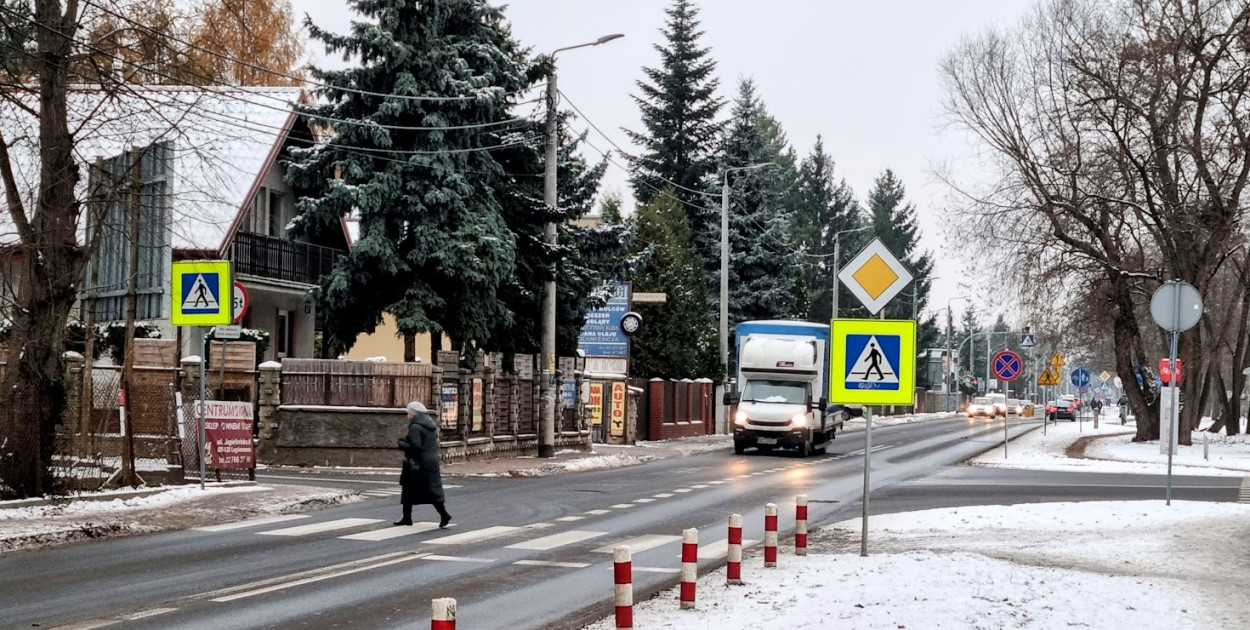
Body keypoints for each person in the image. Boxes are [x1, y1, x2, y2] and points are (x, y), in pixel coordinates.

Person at [395, 401, 451, 528]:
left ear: (414, 414)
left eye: (409, 413)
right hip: (430, 462)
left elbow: (415, 447)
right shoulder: (429, 425)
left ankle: (409, 517)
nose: (407, 415)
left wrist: (402, 444)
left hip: (417, 463)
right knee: (431, 491)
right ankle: (442, 514)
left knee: (409, 487)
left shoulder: (415, 427)